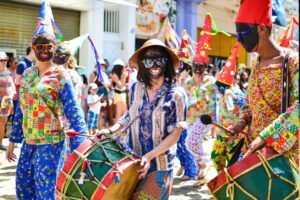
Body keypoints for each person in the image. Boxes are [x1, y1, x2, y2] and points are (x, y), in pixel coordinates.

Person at [6, 3, 87, 198]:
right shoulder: (27, 73)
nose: (44, 50)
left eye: (48, 46)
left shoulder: (61, 76)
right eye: (39, 46)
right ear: (33, 48)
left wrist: (82, 148)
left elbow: (75, 113)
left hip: (51, 144)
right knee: (24, 190)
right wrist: (12, 142)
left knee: (46, 193)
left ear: (54, 48)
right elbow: (21, 110)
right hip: (28, 142)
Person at [96, 39, 188, 199]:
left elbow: (175, 135)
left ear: (166, 63)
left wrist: (149, 157)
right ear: (142, 63)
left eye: (159, 60)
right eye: (148, 60)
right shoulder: (136, 88)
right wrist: (110, 130)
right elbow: (130, 116)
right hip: (132, 161)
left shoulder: (177, 95)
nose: (154, 65)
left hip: (159, 168)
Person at [225, 0, 299, 165]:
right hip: (253, 153)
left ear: (262, 28)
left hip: (282, 157)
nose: (240, 41)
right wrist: (240, 123)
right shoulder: (256, 64)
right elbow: (250, 105)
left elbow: (298, 110)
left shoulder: (293, 62)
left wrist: (266, 137)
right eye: (238, 36)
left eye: (243, 34)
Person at [88, 59, 110, 130]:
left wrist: (107, 84)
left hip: (103, 95)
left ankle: (99, 130)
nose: (101, 66)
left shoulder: (104, 74)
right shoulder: (93, 74)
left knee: (101, 114)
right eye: (100, 64)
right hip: (96, 97)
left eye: (103, 64)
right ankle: (96, 131)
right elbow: (91, 86)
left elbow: (108, 84)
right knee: (96, 114)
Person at [0, 52, 16, 150]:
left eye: (5, 60)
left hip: (6, 103)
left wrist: (10, 95)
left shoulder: (7, 73)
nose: (4, 62)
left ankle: (0, 143)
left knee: (3, 123)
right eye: (1, 60)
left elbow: (12, 87)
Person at [110, 58, 128, 123]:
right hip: (119, 95)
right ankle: (116, 132)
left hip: (123, 95)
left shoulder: (119, 74)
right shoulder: (115, 75)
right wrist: (124, 78)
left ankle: (121, 131)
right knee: (119, 114)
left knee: (124, 113)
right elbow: (120, 86)